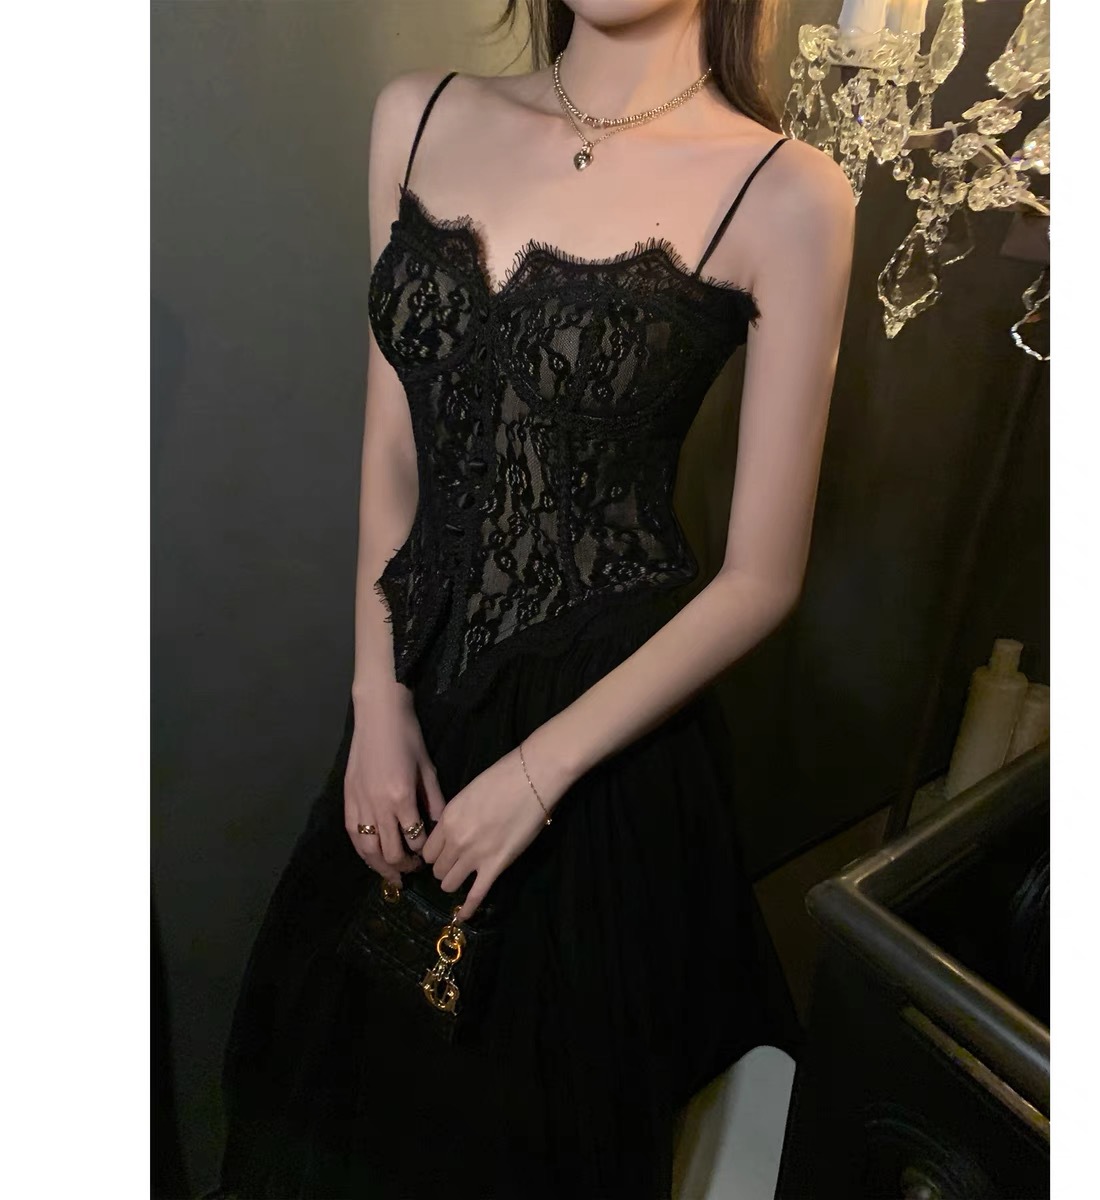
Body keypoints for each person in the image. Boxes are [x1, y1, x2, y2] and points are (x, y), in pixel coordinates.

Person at [211, 1, 855, 1196]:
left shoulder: (787, 192)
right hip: (415, 690)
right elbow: (393, 450)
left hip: (600, 738)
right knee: (339, 1112)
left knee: (526, 1141)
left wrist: (535, 777)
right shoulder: (417, 116)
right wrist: (375, 697)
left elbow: (761, 576)